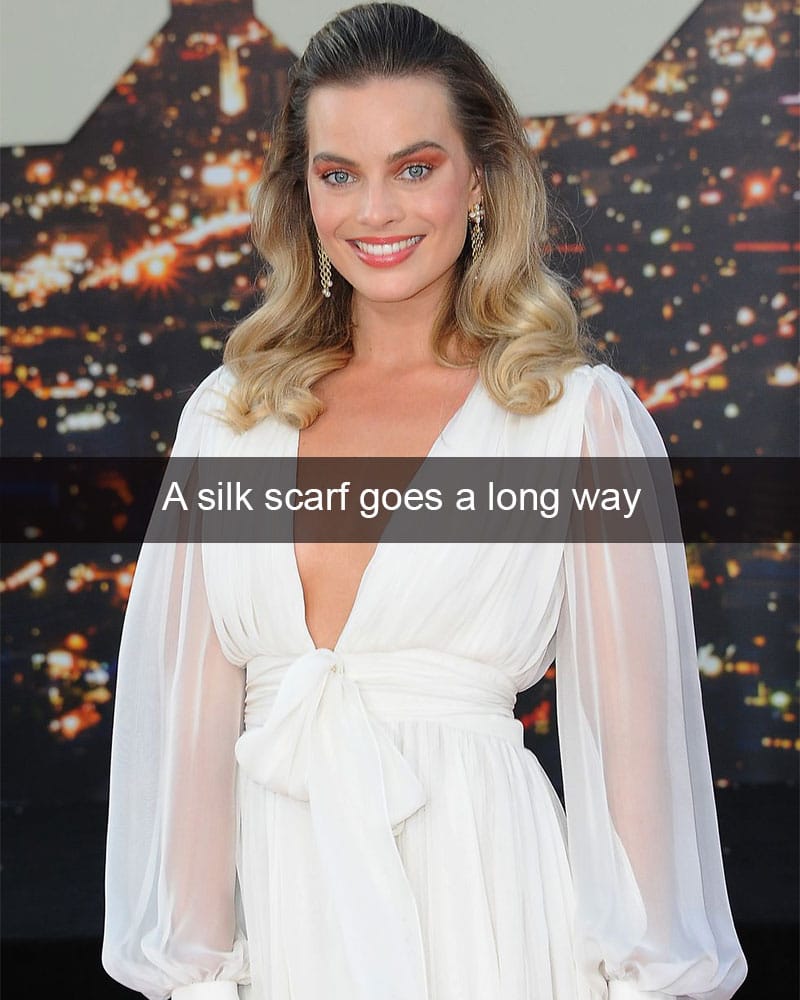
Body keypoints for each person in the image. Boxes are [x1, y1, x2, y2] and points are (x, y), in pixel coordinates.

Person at [101, 5, 748, 999]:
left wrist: (645, 981)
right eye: (338, 174)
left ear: (478, 180)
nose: (375, 211)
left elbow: (636, 766)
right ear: (302, 193)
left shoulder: (575, 420)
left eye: (414, 167)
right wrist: (194, 979)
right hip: (283, 927)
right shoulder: (228, 418)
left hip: (489, 917)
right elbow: (186, 749)